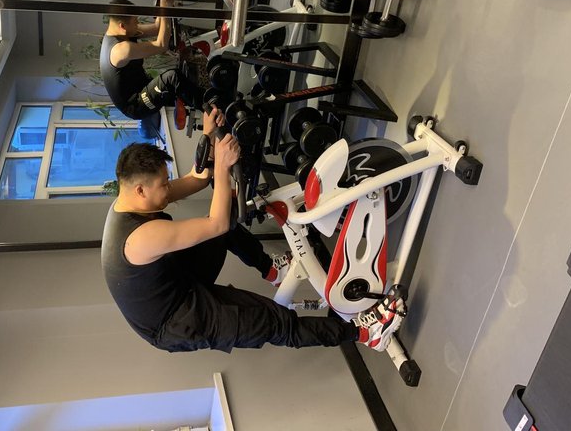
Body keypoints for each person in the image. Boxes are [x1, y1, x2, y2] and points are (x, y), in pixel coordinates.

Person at [101, 108, 405, 353]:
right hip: (177, 319)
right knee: (274, 322)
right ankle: (366, 334)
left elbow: (196, 179)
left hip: (175, 278)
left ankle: (272, 271)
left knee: (225, 213)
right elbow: (216, 223)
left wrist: (208, 136)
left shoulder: (133, 201)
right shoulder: (140, 238)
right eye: (163, 185)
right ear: (140, 190)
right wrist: (223, 168)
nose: (169, 189)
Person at [99, 0, 203, 122]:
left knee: (184, 72)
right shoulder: (120, 50)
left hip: (142, 84)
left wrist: (160, 0)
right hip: (135, 104)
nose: (137, 24)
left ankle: (207, 96)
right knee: (172, 78)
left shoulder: (122, 31)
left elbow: (157, 27)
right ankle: (211, 107)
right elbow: (161, 45)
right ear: (122, 26)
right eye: (135, 22)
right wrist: (165, 8)